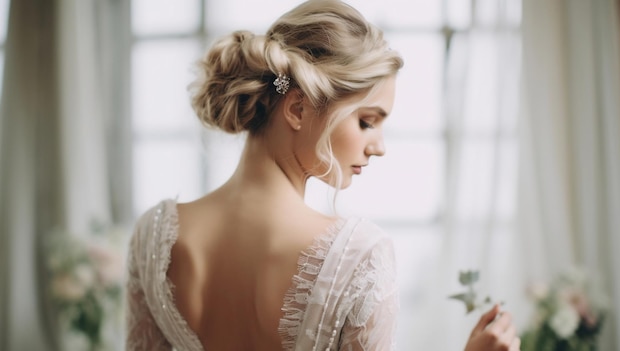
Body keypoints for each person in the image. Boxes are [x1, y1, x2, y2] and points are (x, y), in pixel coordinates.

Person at [125, 0, 521, 350]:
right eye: (367, 122)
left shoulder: (154, 235)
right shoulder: (360, 256)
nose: (379, 146)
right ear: (297, 109)